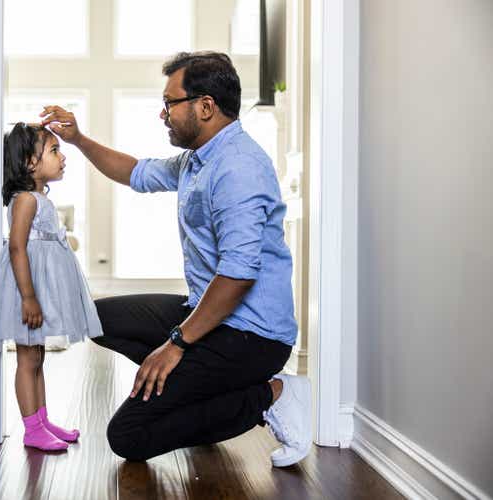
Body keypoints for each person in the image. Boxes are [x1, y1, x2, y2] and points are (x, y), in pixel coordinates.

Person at [40, 51, 312, 466]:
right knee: (93, 318)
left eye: (170, 103)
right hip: (210, 316)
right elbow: (134, 171)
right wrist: (77, 139)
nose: (162, 114)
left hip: (253, 337)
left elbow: (238, 275)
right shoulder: (197, 160)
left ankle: (271, 394)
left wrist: (176, 343)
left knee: (128, 436)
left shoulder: (238, 168)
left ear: (205, 106)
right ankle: (201, 390)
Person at [0, 122, 103, 451]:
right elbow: (17, 247)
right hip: (26, 290)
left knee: (37, 356)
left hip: (39, 287)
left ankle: (42, 420)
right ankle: (31, 429)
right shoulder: (25, 200)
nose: (62, 157)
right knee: (27, 359)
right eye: (54, 151)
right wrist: (28, 297)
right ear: (29, 162)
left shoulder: (40, 198)